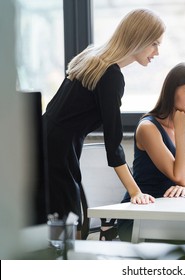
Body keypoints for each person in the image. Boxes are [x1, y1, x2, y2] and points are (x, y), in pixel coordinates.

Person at [41, 8, 165, 239]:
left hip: (49, 141)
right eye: (154, 44)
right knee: (69, 227)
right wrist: (135, 192)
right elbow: (113, 143)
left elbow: (54, 111)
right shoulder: (110, 75)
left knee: (63, 221)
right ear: (139, 38)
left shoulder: (93, 58)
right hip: (58, 150)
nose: (157, 52)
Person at [118, 62, 185, 241]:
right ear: (172, 91)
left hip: (171, 209)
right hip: (141, 214)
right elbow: (180, 177)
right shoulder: (148, 128)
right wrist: (180, 130)